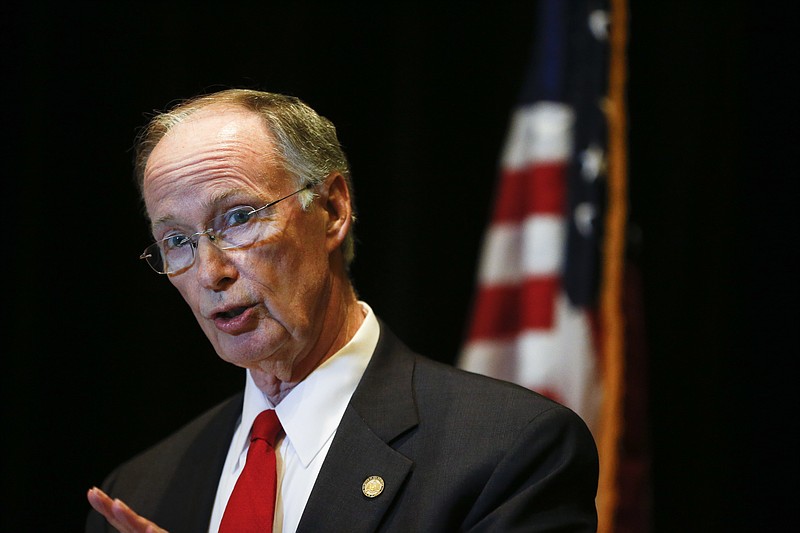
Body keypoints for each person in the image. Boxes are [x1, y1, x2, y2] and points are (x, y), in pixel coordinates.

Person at [85, 88, 599, 533]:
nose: (210, 272)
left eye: (239, 217)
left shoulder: (510, 451)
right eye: (177, 240)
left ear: (331, 209)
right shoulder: (138, 491)